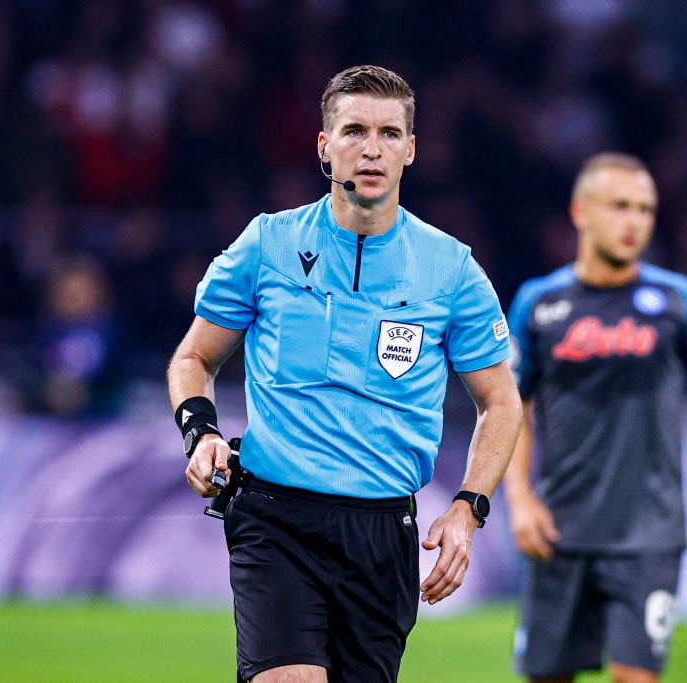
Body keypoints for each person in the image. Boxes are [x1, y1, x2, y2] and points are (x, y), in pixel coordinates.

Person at [166, 64, 522, 683]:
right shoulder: (268, 245)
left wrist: (468, 507)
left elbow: (501, 402)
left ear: (411, 150)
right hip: (274, 517)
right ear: (324, 147)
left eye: (389, 133)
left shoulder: (451, 270)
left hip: (382, 531)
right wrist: (201, 435)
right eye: (354, 130)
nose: (371, 148)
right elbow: (193, 358)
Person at [504, 152, 687, 683]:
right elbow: (512, 406)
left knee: (636, 677)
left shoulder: (678, 301)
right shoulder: (540, 304)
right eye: (621, 206)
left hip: (649, 533)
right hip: (559, 529)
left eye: (646, 210)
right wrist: (518, 498)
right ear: (581, 212)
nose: (636, 222)